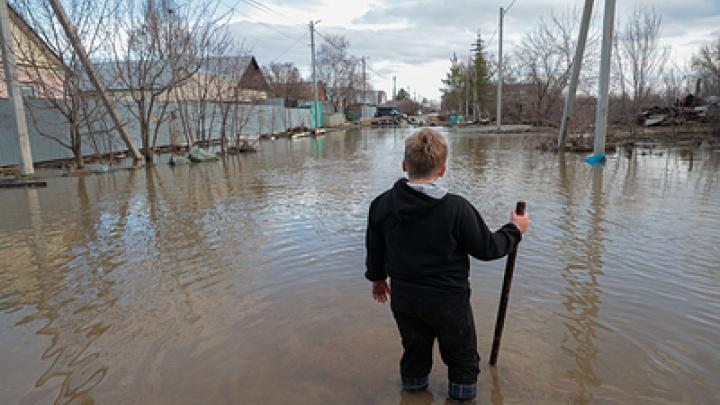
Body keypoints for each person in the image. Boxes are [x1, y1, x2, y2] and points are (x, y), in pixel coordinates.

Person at [365, 128, 529, 401]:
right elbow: (488, 248)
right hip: (448, 301)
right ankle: (462, 398)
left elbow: (375, 247)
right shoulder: (456, 209)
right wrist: (515, 230)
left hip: (405, 297)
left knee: (414, 351)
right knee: (462, 356)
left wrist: (378, 278)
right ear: (443, 169)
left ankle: (414, 395)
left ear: (405, 165)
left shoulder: (382, 204)